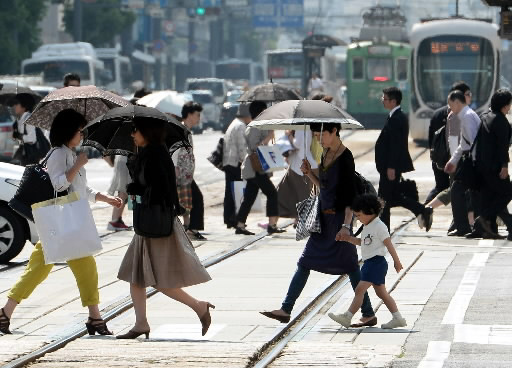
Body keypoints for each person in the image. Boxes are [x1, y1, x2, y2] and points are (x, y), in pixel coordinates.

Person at [0, 109, 123, 335]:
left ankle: (5, 312)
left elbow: (81, 189)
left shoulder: (69, 153)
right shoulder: (58, 154)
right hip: (62, 223)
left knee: (41, 269)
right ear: (69, 131)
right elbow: (58, 185)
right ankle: (95, 318)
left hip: (63, 224)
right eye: (80, 130)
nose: (82, 135)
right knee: (78, 268)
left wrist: (105, 198)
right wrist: (78, 165)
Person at [260, 123, 377, 327]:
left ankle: (367, 313)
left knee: (351, 268)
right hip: (324, 220)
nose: (318, 139)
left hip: (339, 220)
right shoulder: (325, 153)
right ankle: (286, 309)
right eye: (315, 136)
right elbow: (325, 187)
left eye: (321, 135)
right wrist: (309, 173)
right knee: (305, 262)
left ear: (334, 132)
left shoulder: (345, 157)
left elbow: (350, 196)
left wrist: (346, 227)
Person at [116, 118, 213, 339]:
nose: (133, 135)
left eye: (136, 130)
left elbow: (157, 191)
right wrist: (135, 167)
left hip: (155, 224)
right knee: (137, 277)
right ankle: (142, 323)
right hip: (148, 224)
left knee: (154, 279)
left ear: (147, 132)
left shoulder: (155, 155)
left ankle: (199, 307)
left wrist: (136, 183)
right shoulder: (150, 153)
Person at [328, 193, 407, 329]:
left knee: (359, 289)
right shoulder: (368, 226)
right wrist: (348, 239)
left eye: (359, 215)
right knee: (382, 293)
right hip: (370, 263)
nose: (358, 219)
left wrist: (397, 261)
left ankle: (347, 317)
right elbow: (363, 242)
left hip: (376, 263)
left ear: (370, 212)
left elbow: (389, 244)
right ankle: (398, 318)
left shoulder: (379, 226)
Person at [376, 87, 432, 232]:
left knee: (384, 199)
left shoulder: (397, 118)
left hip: (390, 167)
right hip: (388, 166)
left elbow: (396, 145)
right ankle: (421, 210)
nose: (382, 101)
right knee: (391, 197)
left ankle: (383, 230)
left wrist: (391, 166)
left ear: (393, 101)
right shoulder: (394, 116)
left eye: (385, 98)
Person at [235, 101, 285, 235]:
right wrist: (268, 137)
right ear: (260, 112)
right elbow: (254, 147)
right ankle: (272, 225)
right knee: (272, 193)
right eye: (265, 110)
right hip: (255, 167)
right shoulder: (254, 127)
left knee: (249, 198)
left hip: (258, 168)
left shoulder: (261, 125)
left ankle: (240, 225)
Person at [472, 89, 512, 239]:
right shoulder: (500, 121)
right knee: (507, 192)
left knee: (490, 196)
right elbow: (502, 146)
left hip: (483, 166)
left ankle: (488, 229)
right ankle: (484, 217)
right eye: (509, 104)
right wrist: (504, 166)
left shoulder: (485, 117)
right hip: (495, 167)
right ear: (505, 105)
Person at [443, 90, 482, 237]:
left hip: (471, 161)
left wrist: (473, 164)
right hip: (469, 159)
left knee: (457, 191)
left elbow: (472, 143)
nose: (449, 107)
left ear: (458, 102)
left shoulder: (467, 117)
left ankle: (463, 226)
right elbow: (464, 143)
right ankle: (476, 226)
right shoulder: (465, 115)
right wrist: (453, 160)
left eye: (451, 104)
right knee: (473, 194)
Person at [426, 82, 470, 204]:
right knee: (457, 189)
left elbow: (431, 140)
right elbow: (457, 141)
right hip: (455, 160)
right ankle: (427, 209)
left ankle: (425, 210)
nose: (470, 97)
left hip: (440, 158)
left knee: (442, 187)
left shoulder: (437, 114)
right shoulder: (458, 115)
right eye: (467, 94)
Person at [174, 101, 207, 240]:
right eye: (197, 115)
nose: (199, 118)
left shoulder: (185, 130)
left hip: (185, 175)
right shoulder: (180, 130)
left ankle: (188, 227)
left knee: (187, 201)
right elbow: (175, 151)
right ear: (189, 115)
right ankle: (191, 229)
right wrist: (175, 171)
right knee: (196, 199)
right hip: (180, 174)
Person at [276, 128, 318, 223]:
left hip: (301, 165)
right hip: (301, 163)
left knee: (301, 193)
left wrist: (289, 136)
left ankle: (302, 219)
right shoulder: (305, 126)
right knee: (301, 193)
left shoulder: (301, 126)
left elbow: (298, 144)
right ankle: (298, 218)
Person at [222, 103, 251, 229]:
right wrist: (247, 161)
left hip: (229, 162)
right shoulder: (240, 126)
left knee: (230, 192)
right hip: (235, 163)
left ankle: (229, 219)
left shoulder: (234, 123)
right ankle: (234, 218)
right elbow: (242, 149)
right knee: (236, 192)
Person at [105, 155, 131, 231]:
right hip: (126, 162)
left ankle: (116, 220)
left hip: (122, 161)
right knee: (124, 192)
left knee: (123, 192)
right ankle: (115, 221)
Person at [11, 93, 38, 165]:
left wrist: (19, 135)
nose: (14, 106)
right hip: (24, 152)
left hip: (30, 155)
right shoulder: (21, 118)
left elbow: (32, 139)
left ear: (24, 106)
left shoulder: (29, 119)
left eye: (17, 104)